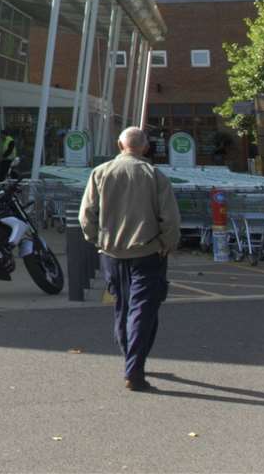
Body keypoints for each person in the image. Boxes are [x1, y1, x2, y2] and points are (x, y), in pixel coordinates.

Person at [80, 126, 182, 392]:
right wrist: (166, 244)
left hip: (111, 254)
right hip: (147, 252)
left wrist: (96, 241)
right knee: (142, 310)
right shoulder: (154, 175)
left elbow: (86, 215)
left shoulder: (100, 173)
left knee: (123, 307)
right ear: (145, 147)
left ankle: (130, 360)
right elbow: (170, 218)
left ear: (119, 144)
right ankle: (134, 370)